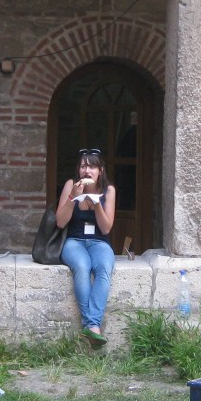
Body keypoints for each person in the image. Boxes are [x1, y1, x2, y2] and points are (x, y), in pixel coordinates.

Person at [55, 149, 117, 347]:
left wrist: (97, 204)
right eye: (83, 166)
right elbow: (60, 222)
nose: (87, 171)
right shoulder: (70, 185)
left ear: (100, 170)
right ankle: (93, 326)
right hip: (74, 241)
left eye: (92, 167)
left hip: (99, 242)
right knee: (82, 267)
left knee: (103, 268)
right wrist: (73, 197)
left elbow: (106, 228)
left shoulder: (108, 190)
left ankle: (90, 325)